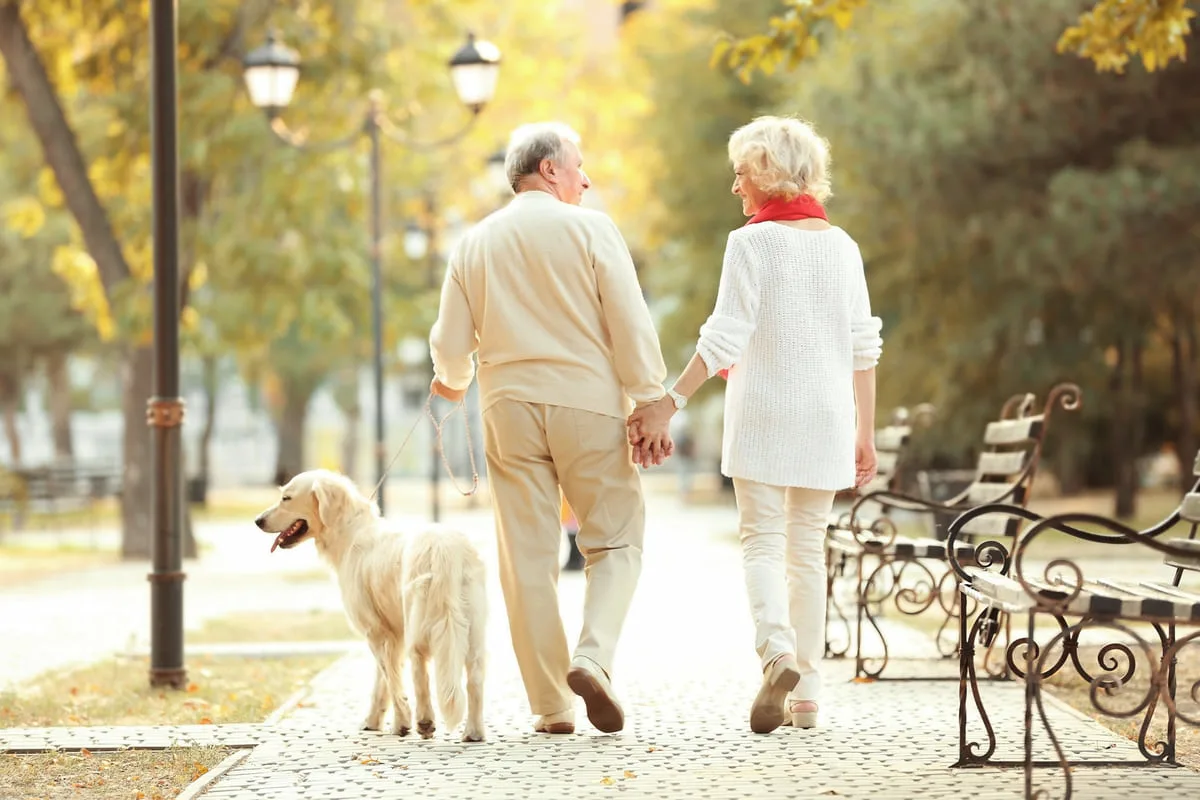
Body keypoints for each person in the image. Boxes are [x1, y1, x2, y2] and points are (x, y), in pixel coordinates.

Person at [628, 116, 882, 734]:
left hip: (765, 411)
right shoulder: (843, 247)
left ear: (768, 171)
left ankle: (777, 653)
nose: (736, 187)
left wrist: (670, 401)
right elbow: (863, 347)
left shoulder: (750, 244)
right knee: (808, 550)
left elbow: (724, 336)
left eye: (742, 173)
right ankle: (809, 696)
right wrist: (865, 432)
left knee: (763, 543)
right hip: (827, 416)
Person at [429, 121, 672, 735]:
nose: (586, 178)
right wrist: (649, 400)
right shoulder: (591, 229)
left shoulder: (474, 242)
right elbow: (629, 321)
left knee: (527, 560)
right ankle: (592, 657)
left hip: (506, 408)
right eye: (578, 165)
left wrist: (453, 380)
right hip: (586, 403)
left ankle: (551, 708)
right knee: (616, 540)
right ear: (548, 170)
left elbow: (451, 344)